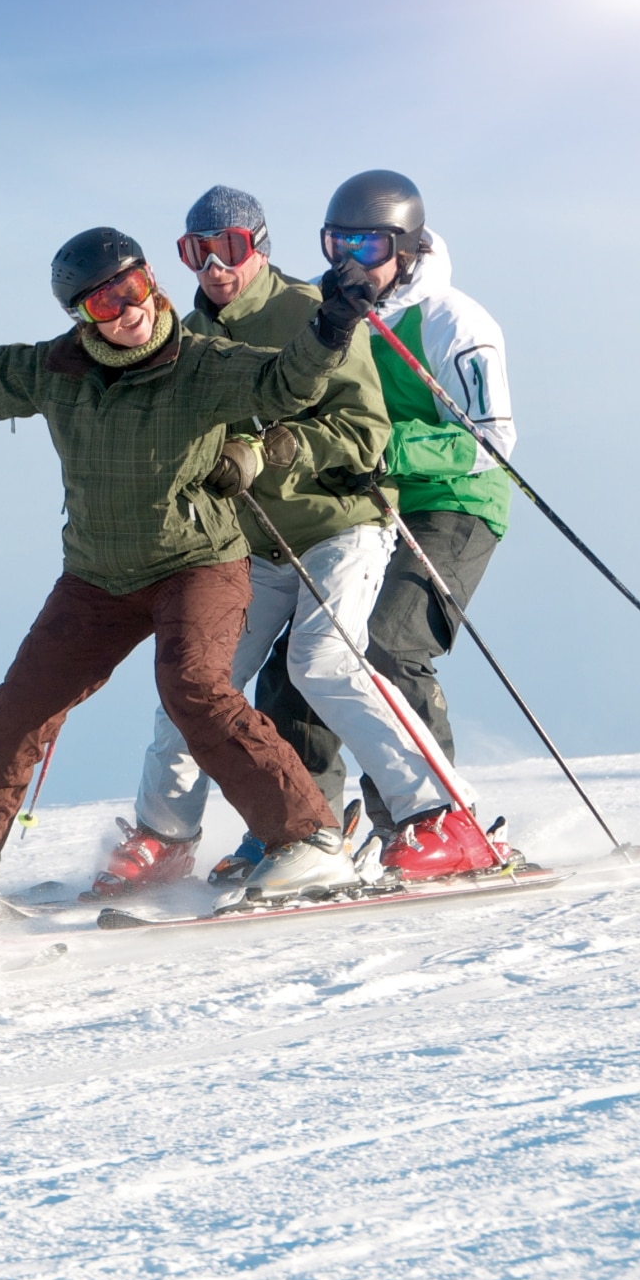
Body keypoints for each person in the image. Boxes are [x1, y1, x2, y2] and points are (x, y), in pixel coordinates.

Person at [0, 225, 377, 911]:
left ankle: (309, 840)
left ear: (152, 283)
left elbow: (283, 382)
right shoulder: (56, 371)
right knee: (20, 707)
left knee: (193, 688)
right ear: (82, 318)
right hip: (97, 578)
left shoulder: (204, 363)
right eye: (103, 304)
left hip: (197, 563)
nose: (126, 310)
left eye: (131, 289)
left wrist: (332, 321)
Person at [108, 185, 481, 897]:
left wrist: (269, 450)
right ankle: (164, 837)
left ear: (261, 245)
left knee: (323, 661)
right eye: (197, 253)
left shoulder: (316, 313)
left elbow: (364, 430)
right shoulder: (186, 342)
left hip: (340, 522)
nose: (214, 267)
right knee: (194, 682)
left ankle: (441, 816)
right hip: (257, 542)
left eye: (231, 248)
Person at [253, 170, 515, 878]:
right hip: (366, 507)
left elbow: (492, 439)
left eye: (368, 245)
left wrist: (385, 448)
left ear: (405, 244)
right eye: (338, 242)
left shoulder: (452, 320)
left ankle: (438, 825)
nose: (350, 260)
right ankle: (306, 831)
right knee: (296, 663)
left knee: (386, 645)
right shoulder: (327, 313)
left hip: (454, 502)